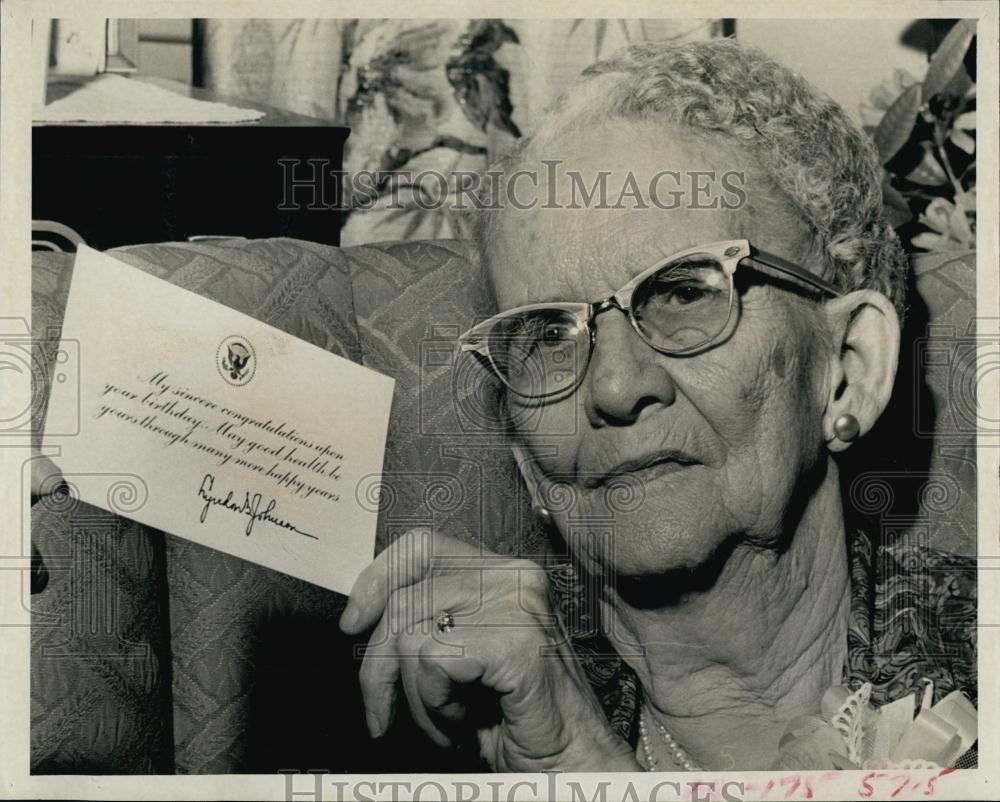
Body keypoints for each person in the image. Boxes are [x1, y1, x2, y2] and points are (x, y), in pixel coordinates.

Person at [339, 39, 976, 772]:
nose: (612, 387)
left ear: (848, 370)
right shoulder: (430, 722)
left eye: (683, 293)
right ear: (522, 448)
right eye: (550, 335)